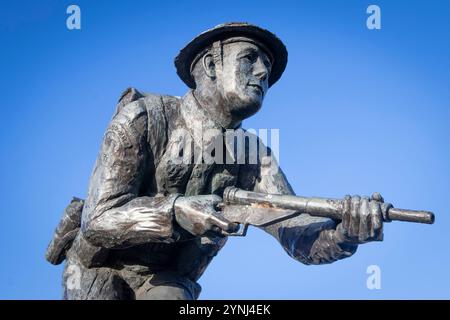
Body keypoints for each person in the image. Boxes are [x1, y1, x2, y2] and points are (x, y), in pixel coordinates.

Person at [47, 22, 385, 300]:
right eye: (250, 58)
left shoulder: (253, 155)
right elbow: (99, 219)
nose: (264, 71)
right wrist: (177, 211)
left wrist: (344, 235)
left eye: (266, 64)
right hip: (100, 267)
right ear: (211, 65)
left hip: (170, 280)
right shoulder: (143, 119)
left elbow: (296, 235)